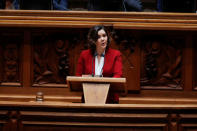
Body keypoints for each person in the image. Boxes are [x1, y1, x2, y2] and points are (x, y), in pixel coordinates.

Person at [76, 25, 123, 104]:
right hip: (88, 98)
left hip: (109, 100)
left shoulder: (116, 54)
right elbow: (78, 77)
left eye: (104, 36)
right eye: (98, 37)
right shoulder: (84, 55)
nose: (102, 39)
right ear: (93, 40)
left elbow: (118, 76)